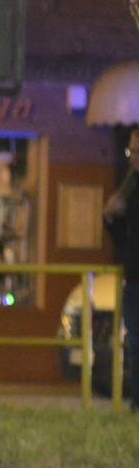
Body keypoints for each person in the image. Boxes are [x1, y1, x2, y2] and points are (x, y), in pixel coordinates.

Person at [105, 128, 139, 408]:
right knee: (135, 343)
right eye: (130, 151)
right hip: (134, 278)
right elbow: (124, 240)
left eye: (137, 152)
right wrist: (111, 218)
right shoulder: (130, 185)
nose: (132, 158)